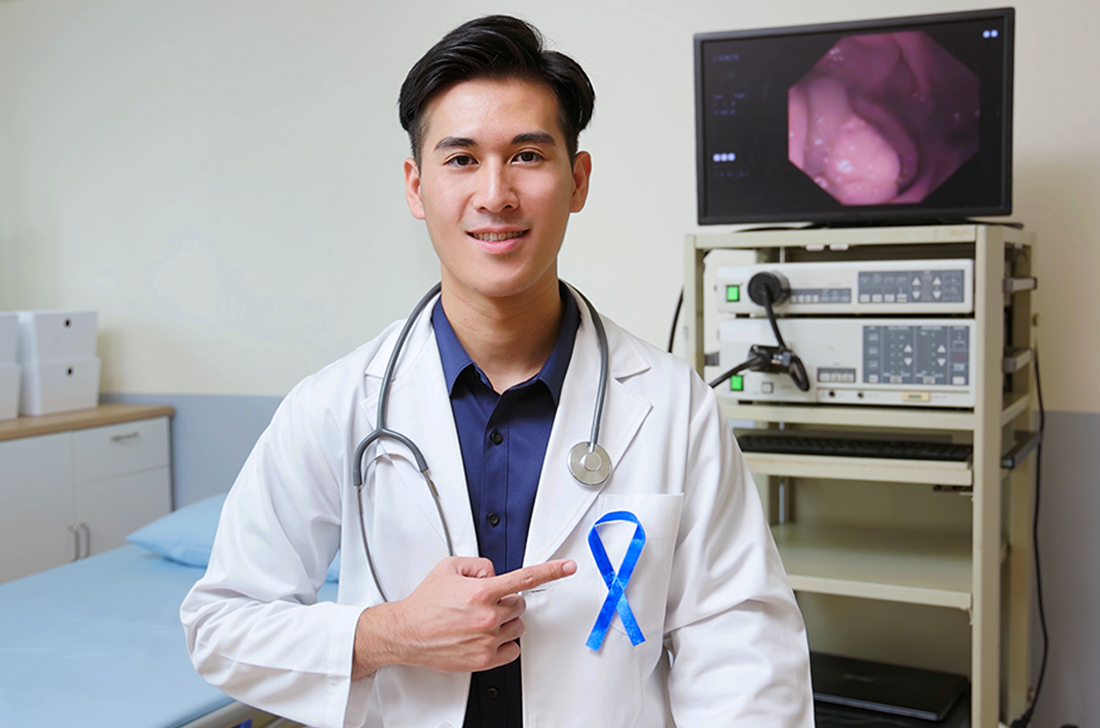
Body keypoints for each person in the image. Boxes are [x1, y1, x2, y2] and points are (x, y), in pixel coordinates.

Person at [181, 14, 813, 728]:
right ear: (416, 188)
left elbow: (745, 656)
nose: (495, 195)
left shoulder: (673, 407)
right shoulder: (336, 406)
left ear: (577, 180)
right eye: (461, 160)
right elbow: (221, 625)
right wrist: (389, 633)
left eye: (527, 156)